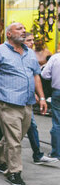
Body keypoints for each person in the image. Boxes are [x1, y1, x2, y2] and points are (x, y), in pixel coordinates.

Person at [0, 22, 48, 185]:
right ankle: (14, 172)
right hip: (6, 101)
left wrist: (41, 98)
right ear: (9, 34)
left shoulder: (30, 53)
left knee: (15, 136)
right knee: (14, 139)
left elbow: (36, 77)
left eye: (24, 29)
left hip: (26, 103)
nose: (23, 31)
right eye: (19, 29)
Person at [25, 34, 57, 164]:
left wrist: (41, 96)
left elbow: (36, 76)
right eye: (29, 40)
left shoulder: (33, 55)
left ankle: (38, 154)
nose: (32, 43)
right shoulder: (20, 55)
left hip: (29, 98)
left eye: (33, 40)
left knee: (31, 125)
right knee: (12, 132)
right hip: (12, 99)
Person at [41, 48, 60, 160]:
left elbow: (45, 75)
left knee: (57, 123)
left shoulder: (55, 58)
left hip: (57, 92)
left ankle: (56, 153)